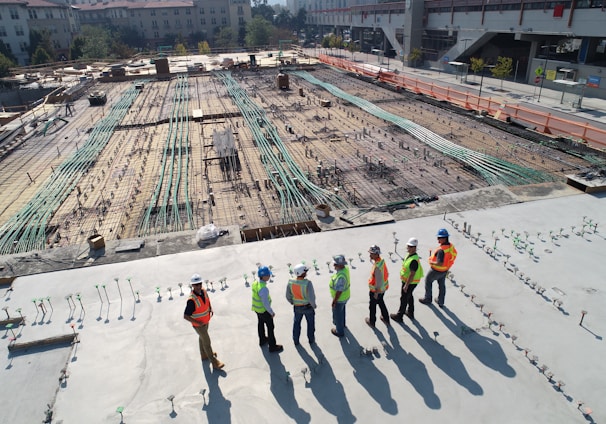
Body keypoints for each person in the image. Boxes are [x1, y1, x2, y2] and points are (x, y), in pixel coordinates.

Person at [183, 274, 225, 370]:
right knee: (207, 341)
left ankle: (204, 355)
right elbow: (186, 316)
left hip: (206, 321)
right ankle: (214, 362)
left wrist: (210, 309)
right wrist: (197, 323)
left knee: (202, 338)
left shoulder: (204, 291)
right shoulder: (191, 300)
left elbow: (207, 301)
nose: (198, 286)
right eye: (196, 284)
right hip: (199, 325)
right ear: (192, 286)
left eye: (199, 284)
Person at [419, 228, 458, 308]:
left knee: (428, 281)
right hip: (445, 270)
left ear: (444, 238)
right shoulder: (450, 246)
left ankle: (428, 298)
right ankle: (441, 301)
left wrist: (431, 262)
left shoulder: (441, 251)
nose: (438, 240)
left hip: (436, 271)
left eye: (439, 238)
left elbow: (439, 263)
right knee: (442, 286)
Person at [391, 237, 424, 322]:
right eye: (408, 246)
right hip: (408, 281)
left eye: (410, 246)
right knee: (409, 296)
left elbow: (412, 274)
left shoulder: (413, 260)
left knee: (404, 298)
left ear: (415, 248)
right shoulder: (409, 255)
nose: (408, 248)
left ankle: (399, 316)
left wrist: (406, 285)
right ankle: (410, 312)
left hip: (410, 282)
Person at [252, 266, 283, 352]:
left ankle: (262, 340)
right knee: (270, 327)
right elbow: (265, 303)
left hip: (257, 309)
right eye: (268, 275)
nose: (269, 276)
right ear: (264, 276)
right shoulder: (263, 289)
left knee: (260, 324)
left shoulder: (255, 283)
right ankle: (272, 346)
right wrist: (271, 312)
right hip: (264, 311)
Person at [285, 263, 317, 345]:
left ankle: (296, 340)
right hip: (308, 307)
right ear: (303, 273)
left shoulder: (291, 282)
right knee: (310, 324)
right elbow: (311, 297)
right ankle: (311, 339)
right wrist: (314, 305)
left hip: (297, 307)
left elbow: (288, 295)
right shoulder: (307, 283)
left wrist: (292, 302)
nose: (306, 272)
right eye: (305, 271)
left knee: (296, 324)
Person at [366, 245, 390, 327]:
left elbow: (378, 281)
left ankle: (372, 321)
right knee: (381, 302)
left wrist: (376, 294)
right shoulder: (381, 261)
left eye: (371, 253)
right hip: (383, 289)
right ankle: (386, 318)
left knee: (372, 306)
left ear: (376, 254)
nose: (370, 255)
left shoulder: (377, 267)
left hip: (376, 291)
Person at [330, 255, 350, 337]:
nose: (334, 266)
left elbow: (339, 291)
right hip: (345, 297)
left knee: (337, 314)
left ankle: (339, 331)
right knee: (342, 311)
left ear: (340, 265)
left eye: (335, 264)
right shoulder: (345, 269)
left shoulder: (341, 277)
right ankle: (343, 324)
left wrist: (334, 301)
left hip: (340, 299)